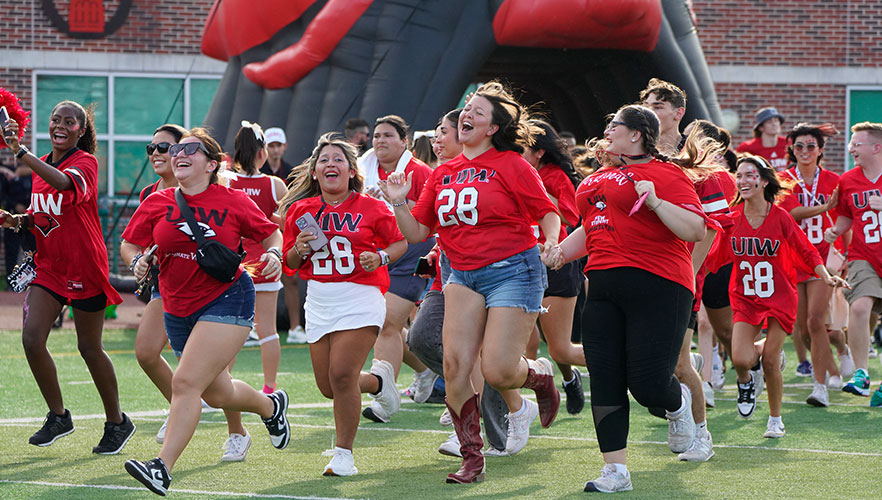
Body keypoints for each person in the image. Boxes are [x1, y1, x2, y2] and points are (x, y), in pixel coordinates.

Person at [379, 81, 562, 484]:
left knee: (496, 370)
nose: (467, 115)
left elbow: (547, 212)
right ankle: (472, 458)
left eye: (478, 112)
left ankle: (539, 375)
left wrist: (551, 241)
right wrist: (398, 200)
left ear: (493, 128)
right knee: (455, 366)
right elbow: (417, 232)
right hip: (460, 274)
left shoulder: (513, 165)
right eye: (466, 109)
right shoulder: (443, 171)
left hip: (514, 270)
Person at [548, 104, 719, 493]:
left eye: (614, 125)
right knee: (605, 379)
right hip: (604, 287)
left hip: (660, 286)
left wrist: (657, 201)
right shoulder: (594, 181)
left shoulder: (666, 172)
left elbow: (695, 229)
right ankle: (616, 471)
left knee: (647, 386)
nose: (607, 130)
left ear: (637, 134)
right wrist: (560, 252)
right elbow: (589, 230)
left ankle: (677, 408)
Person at [120, 128, 290, 496]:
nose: (178, 153)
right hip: (177, 305)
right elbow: (129, 242)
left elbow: (271, 233)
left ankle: (161, 468)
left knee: (184, 383)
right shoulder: (157, 201)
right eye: (176, 149)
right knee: (216, 393)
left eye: (190, 150)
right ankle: (270, 407)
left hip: (228, 298)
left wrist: (275, 253)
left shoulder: (233, 200)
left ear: (212, 164)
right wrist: (136, 260)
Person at [0, 100, 133, 454]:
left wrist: (22, 153)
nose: (60, 125)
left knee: (89, 348)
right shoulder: (42, 163)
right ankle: (59, 416)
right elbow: (42, 214)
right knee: (31, 338)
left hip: (85, 266)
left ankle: (117, 422)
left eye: (69, 121)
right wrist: (17, 221)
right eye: (55, 119)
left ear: (81, 129)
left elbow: (64, 187)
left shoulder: (85, 163)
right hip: (51, 267)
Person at [279, 133, 407, 476]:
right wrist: (300, 248)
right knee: (328, 386)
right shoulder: (301, 211)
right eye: (324, 160)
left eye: (338, 159)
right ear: (315, 172)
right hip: (319, 298)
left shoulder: (373, 207)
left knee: (341, 375)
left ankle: (344, 454)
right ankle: (380, 382)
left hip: (360, 296)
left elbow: (399, 244)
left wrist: (379, 257)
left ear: (352, 171)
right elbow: (290, 261)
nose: (330, 164)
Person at [724, 155, 845, 438]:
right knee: (741, 359)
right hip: (746, 298)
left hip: (779, 297)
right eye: (738, 175)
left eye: (749, 175)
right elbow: (709, 247)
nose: (742, 181)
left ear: (764, 180)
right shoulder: (732, 218)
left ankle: (775, 419)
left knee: (769, 360)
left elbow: (806, 250)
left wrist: (825, 275)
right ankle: (746, 383)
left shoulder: (780, 217)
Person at [357, 115, 436, 423]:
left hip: (412, 253)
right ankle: (424, 368)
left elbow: (429, 217)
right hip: (379, 253)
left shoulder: (419, 171)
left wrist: (397, 202)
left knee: (386, 322)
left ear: (405, 141)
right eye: (376, 136)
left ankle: (383, 397)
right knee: (384, 322)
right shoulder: (365, 169)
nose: (380, 141)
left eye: (388, 136)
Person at [779, 123, 853, 406]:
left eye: (811, 146)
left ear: (821, 150)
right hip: (794, 255)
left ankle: (819, 386)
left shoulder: (834, 179)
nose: (805, 151)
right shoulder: (784, 179)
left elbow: (845, 220)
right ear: (792, 150)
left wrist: (847, 254)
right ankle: (836, 362)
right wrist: (824, 207)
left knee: (814, 319)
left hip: (823, 255)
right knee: (804, 328)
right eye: (799, 146)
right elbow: (792, 214)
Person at [522, 119, 587, 414]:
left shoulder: (555, 175)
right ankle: (516, 408)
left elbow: (572, 217)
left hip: (556, 263)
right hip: (520, 263)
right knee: (525, 342)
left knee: (559, 347)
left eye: (521, 146)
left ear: (539, 152)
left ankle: (624, 362)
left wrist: (540, 194)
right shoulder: (511, 171)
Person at [228, 121, 288, 397]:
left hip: (233, 265)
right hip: (266, 263)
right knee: (268, 331)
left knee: (227, 330)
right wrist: (269, 217)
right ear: (262, 152)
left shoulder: (225, 181)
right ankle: (269, 388)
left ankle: (223, 384)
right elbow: (290, 223)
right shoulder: (274, 185)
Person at [824, 122, 882, 404]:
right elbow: (847, 215)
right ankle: (861, 374)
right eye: (851, 143)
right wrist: (836, 230)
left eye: (857, 144)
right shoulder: (847, 180)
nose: (851, 149)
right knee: (859, 306)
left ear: (876, 147)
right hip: (864, 254)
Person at [260, 126, 305, 344]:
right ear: (265, 149)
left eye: (278, 145)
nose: (275, 150)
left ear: (285, 147)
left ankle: (296, 327)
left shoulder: (290, 173)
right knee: (253, 278)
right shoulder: (260, 174)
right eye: (271, 146)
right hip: (261, 234)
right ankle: (253, 327)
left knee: (291, 279)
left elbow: (292, 209)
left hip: (282, 233)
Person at [639, 78, 687, 155]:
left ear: (679, 113)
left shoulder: (696, 154)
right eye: (646, 107)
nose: (648, 112)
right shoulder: (632, 151)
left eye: (657, 107)